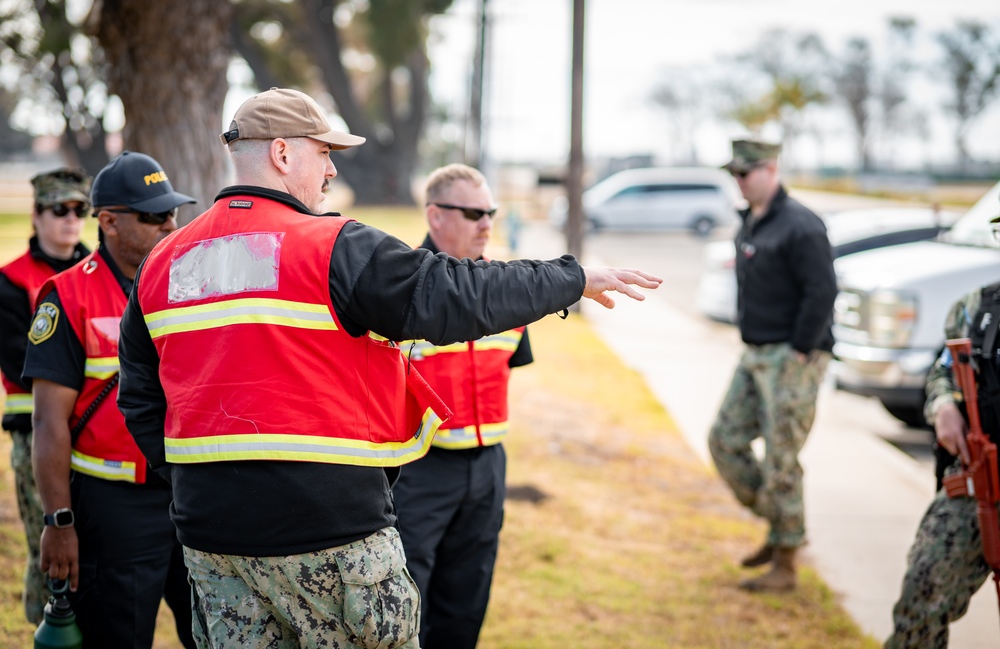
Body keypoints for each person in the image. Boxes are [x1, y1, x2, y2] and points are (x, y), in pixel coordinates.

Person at [115, 87, 661, 648]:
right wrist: (571, 279)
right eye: (323, 152)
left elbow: (137, 395)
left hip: (213, 541)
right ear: (282, 154)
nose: (330, 170)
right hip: (332, 534)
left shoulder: (164, 261)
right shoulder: (332, 247)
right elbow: (457, 294)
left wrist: (192, 481)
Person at [22, 152, 197, 648]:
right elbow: (48, 423)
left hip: (188, 494)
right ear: (110, 222)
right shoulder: (67, 296)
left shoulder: (189, 289)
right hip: (113, 509)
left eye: (173, 213)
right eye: (154, 216)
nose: (170, 224)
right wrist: (58, 522)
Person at [392, 163, 529, 648]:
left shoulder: (504, 290)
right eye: (473, 212)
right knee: (406, 605)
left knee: (467, 599)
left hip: (488, 466)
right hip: (419, 473)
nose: (487, 223)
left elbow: (507, 367)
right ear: (435, 216)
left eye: (490, 211)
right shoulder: (399, 290)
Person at [707, 139, 837, 593]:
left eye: (746, 173)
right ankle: (781, 523)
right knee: (725, 440)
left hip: (792, 356)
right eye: (735, 175)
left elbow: (822, 291)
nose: (739, 182)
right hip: (755, 352)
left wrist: (801, 348)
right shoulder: (752, 222)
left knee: (782, 457)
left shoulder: (801, 225)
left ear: (771, 169)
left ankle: (785, 562)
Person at [885, 230, 1000, 647]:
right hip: (979, 478)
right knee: (921, 597)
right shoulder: (977, 307)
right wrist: (944, 408)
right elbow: (943, 371)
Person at [0, 167, 91, 625]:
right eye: (59, 210)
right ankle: (45, 628)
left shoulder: (100, 271)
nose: (70, 219)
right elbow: (21, 362)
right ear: (36, 216)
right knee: (49, 542)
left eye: (79, 210)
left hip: (97, 440)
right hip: (35, 437)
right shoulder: (11, 282)